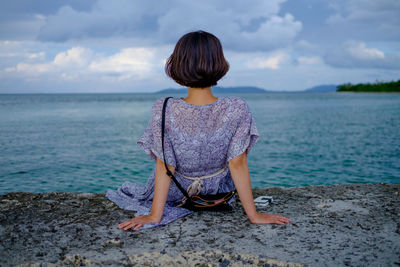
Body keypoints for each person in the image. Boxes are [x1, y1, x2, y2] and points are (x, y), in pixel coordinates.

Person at [106, 30, 291, 231]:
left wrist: (154, 215)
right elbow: (237, 163)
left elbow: (166, 166)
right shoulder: (237, 107)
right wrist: (253, 215)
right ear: (219, 63)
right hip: (216, 195)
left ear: (177, 65)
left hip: (176, 194)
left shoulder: (164, 108)